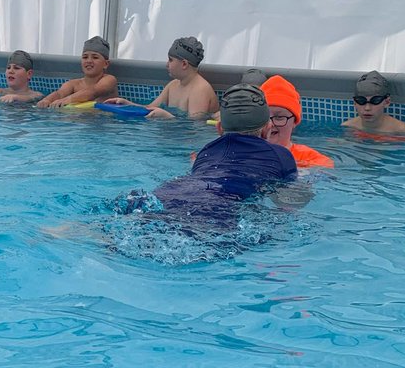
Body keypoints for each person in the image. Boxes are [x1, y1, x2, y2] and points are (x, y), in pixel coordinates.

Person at [123, 84, 299, 227]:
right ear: (267, 129)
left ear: (219, 128)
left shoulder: (205, 152)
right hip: (215, 211)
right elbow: (289, 206)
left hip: (168, 193)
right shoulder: (281, 156)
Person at [101, 36, 219, 119]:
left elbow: (195, 127)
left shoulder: (199, 90)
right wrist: (126, 103)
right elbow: (150, 107)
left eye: (170, 60)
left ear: (184, 64)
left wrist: (167, 116)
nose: (167, 64)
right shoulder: (173, 85)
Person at [260, 75, 334, 168]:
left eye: (279, 117)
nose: (270, 123)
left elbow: (326, 168)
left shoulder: (310, 159)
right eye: (264, 116)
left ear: (294, 122)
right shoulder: (242, 152)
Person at [35, 36, 118, 107]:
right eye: (85, 57)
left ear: (106, 64)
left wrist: (68, 99)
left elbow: (93, 92)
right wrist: (46, 100)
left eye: (95, 57)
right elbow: (60, 93)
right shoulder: (73, 84)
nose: (89, 61)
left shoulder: (109, 80)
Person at [343, 71, 405, 137]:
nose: (367, 108)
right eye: (361, 101)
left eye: (375, 101)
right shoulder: (348, 127)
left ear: (387, 102)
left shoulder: (400, 130)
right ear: (355, 103)